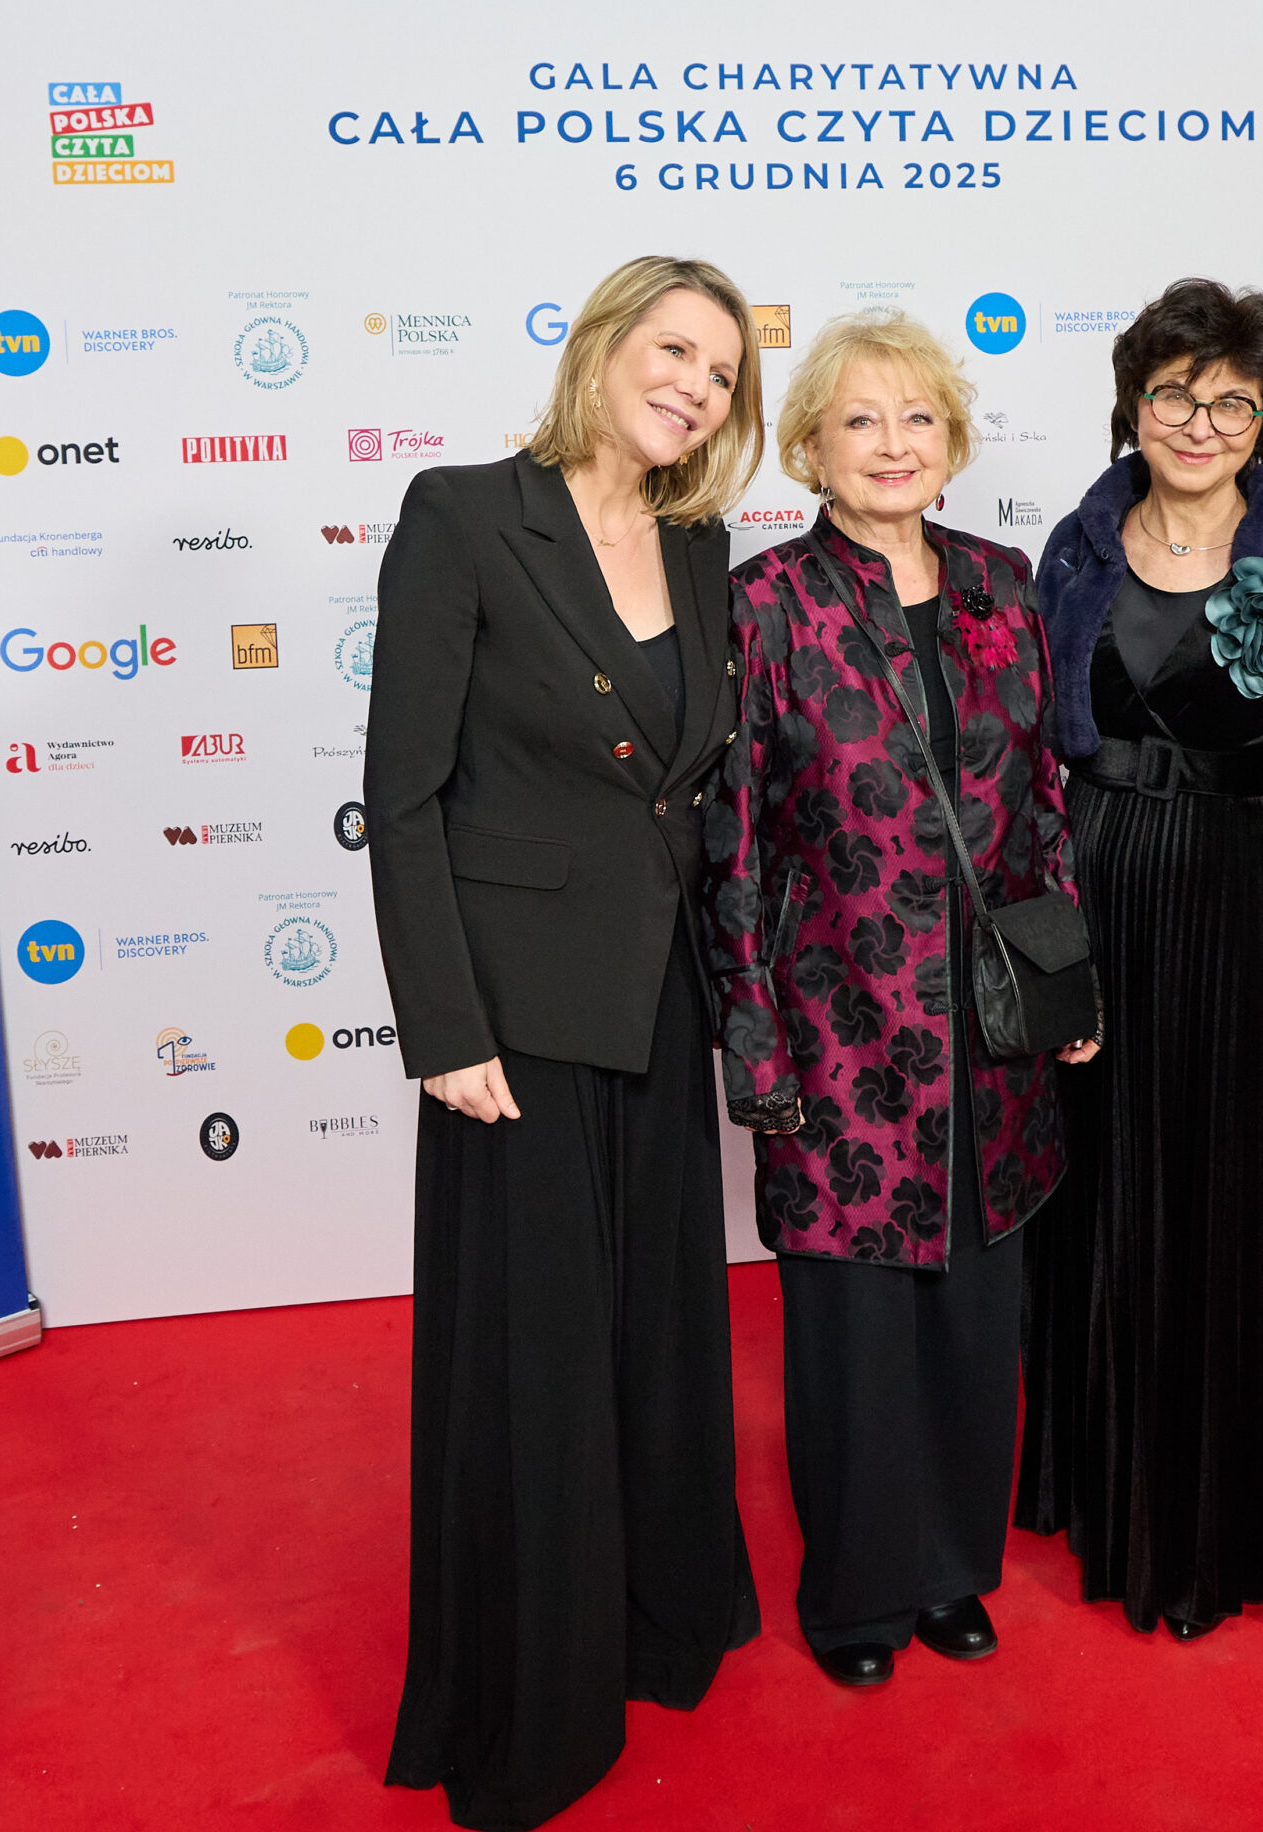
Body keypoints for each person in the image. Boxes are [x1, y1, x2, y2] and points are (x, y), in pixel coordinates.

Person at [367, 254, 765, 1829]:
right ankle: (533, 1700)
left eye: (722, 373)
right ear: (601, 345)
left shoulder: (703, 545)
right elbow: (403, 794)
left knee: (657, 1340)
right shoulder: (465, 515)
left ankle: (659, 1623)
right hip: (513, 1024)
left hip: (661, 1005)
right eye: (674, 350)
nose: (694, 387)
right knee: (534, 1365)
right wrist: (443, 1023)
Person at [703, 311, 1098, 1690]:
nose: (892, 445)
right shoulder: (767, 604)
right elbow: (733, 846)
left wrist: (1064, 981)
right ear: (811, 447)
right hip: (842, 1028)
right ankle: (860, 1594)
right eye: (860, 421)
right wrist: (756, 1044)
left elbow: (1043, 806)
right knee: (855, 1337)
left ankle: (951, 1572)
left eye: (917, 418)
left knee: (979, 1325)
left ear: (954, 441)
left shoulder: (1002, 583)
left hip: (993, 1035)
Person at [1018, 280, 1263, 1640]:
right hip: (1099, 894)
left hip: (1248, 900)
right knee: (1104, 1195)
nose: (1200, 422)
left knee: (1239, 1199)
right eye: (1176, 393)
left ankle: (1228, 1519)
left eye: (1235, 401)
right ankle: (1113, 1497)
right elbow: (1030, 757)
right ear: (1135, 399)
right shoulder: (1074, 547)